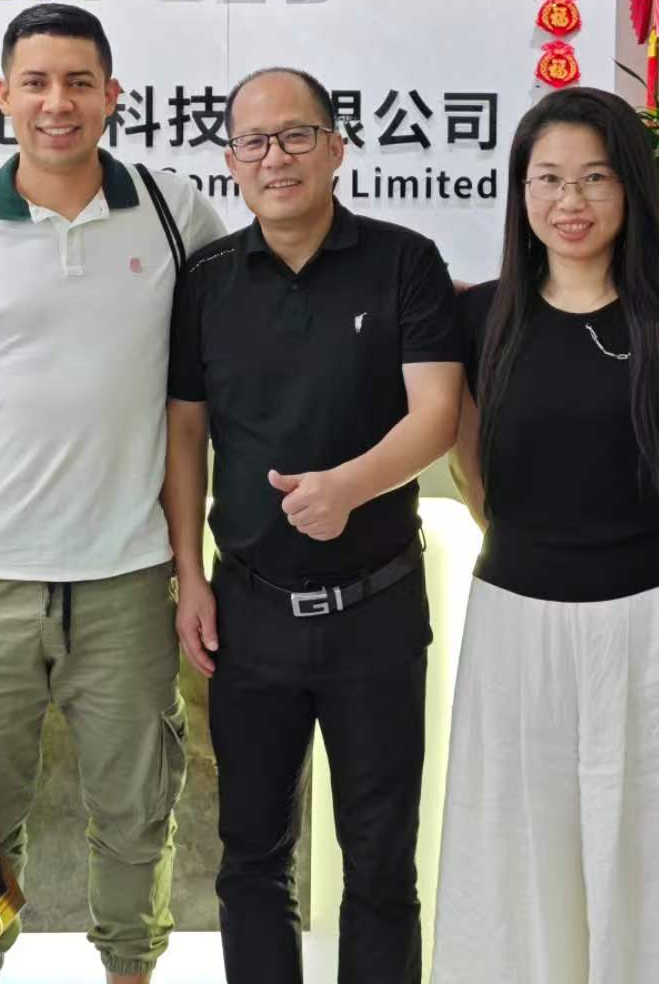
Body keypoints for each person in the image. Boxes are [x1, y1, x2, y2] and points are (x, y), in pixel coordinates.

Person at [0, 3, 228, 984]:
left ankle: (131, 968)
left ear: (112, 95)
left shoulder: (174, 213)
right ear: (2, 96)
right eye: (34, 82)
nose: (56, 102)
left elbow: (199, 399)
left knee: (136, 815)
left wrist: (191, 566)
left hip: (126, 581)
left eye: (78, 82)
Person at [431, 86, 659, 984]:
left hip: (656, 624)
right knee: (521, 861)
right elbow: (476, 478)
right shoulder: (479, 319)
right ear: (520, 192)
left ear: (630, 189)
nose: (569, 201)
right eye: (546, 179)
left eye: (594, 177)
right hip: (518, 627)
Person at [165, 67, 465, 982]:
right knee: (251, 856)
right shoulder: (206, 280)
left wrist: (347, 488)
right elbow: (183, 434)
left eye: (296, 136)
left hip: (376, 608)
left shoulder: (404, 261)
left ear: (336, 148)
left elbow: (436, 413)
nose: (276, 158)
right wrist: (190, 576)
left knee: (380, 862)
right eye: (253, 142)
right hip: (249, 611)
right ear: (230, 162)